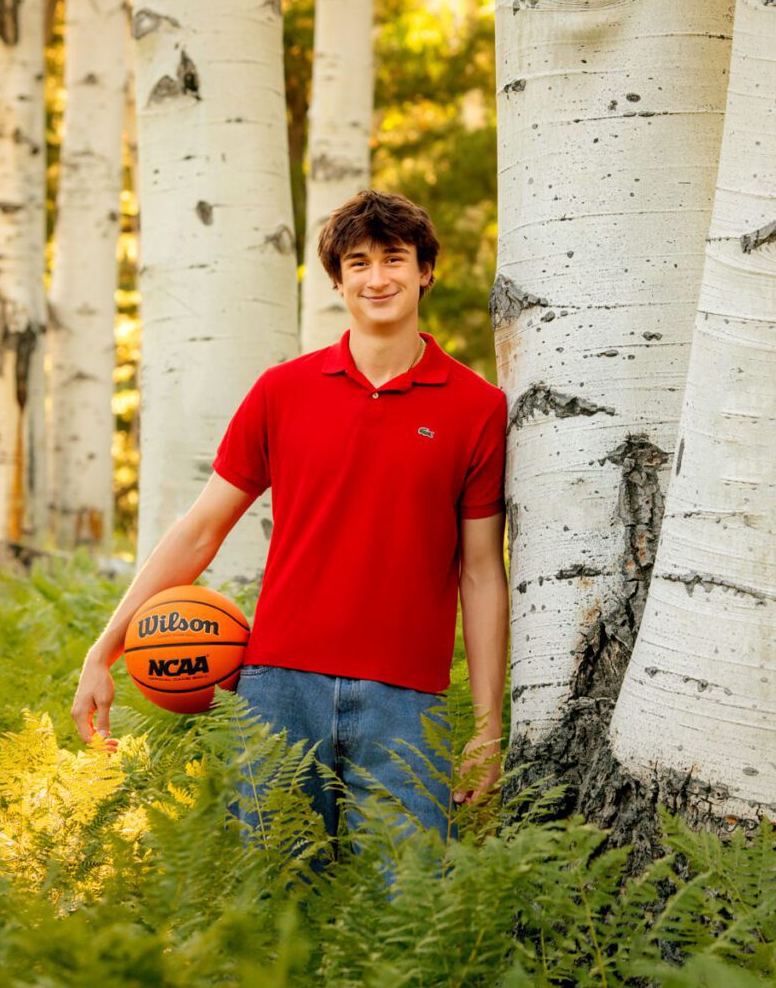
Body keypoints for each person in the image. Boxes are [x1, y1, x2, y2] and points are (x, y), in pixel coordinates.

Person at [71, 189, 509, 873]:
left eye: (395, 259)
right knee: (274, 915)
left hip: (409, 700)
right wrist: (106, 650)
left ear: (426, 270)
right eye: (358, 263)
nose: (378, 278)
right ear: (336, 281)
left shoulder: (477, 408)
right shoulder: (283, 391)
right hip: (276, 692)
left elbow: (482, 572)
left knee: (411, 916)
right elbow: (198, 532)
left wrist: (487, 725)